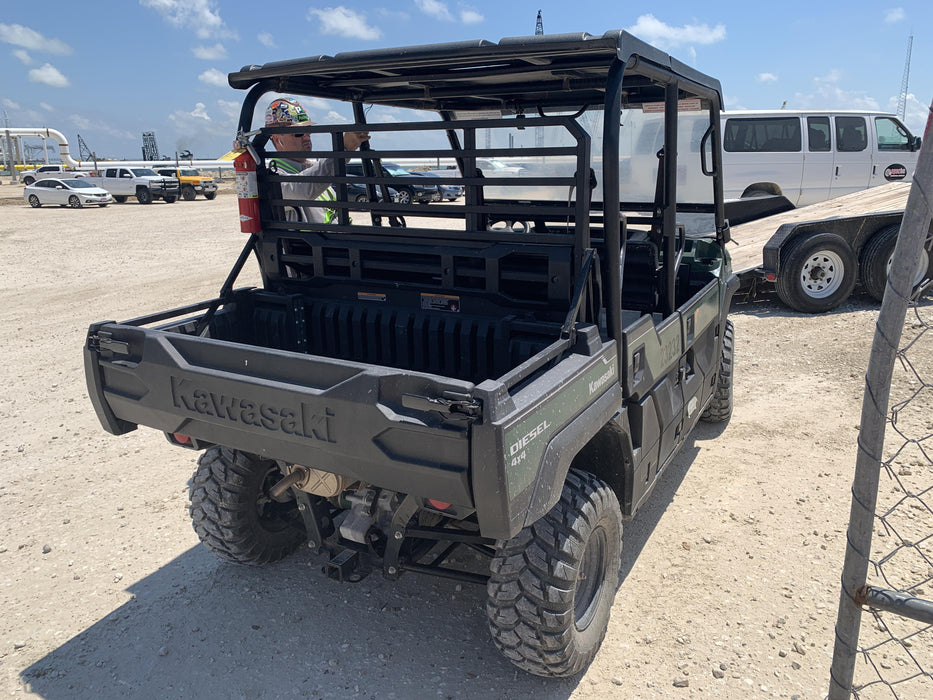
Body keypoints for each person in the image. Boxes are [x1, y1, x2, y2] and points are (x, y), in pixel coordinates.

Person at [265, 98, 369, 223]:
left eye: (308, 130)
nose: (306, 137)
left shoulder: (314, 168)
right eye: (299, 133)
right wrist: (343, 150)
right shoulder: (272, 177)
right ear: (277, 139)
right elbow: (302, 190)